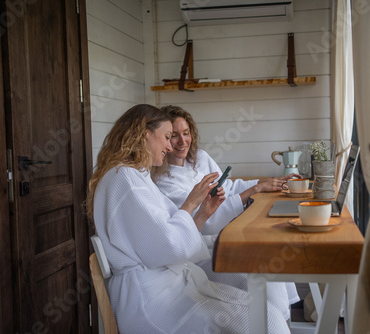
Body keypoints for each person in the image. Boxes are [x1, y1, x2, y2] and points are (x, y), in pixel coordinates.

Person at [86, 104, 290, 334]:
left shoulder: (135, 177)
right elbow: (168, 246)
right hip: (151, 300)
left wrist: (203, 212)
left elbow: (171, 235)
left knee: (266, 314)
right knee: (263, 321)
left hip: (170, 283)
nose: (169, 145)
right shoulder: (124, 179)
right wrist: (192, 202)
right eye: (166, 136)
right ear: (145, 134)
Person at [151, 105, 301, 312]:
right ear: (165, 139)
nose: (182, 141)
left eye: (186, 134)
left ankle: (280, 322)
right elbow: (206, 223)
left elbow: (229, 187)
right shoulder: (163, 181)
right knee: (265, 264)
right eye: (173, 136)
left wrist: (268, 182)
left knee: (270, 253)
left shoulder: (200, 158)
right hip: (207, 248)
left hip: (231, 234)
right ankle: (276, 322)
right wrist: (254, 189)